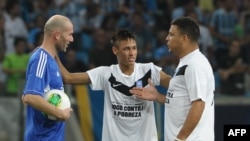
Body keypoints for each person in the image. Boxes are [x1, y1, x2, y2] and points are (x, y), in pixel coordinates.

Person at [55, 29, 171, 141]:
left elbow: (177, 87)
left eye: (134, 48)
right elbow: (67, 77)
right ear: (115, 50)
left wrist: (158, 97)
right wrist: (53, 52)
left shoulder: (149, 70)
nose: (132, 53)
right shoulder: (105, 74)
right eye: (126, 49)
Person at [130, 17, 215, 141]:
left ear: (184, 38)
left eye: (171, 34)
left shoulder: (195, 65)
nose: (167, 38)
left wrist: (180, 139)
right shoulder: (186, 62)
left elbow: (199, 104)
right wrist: (157, 96)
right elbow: (182, 102)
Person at [22, 15, 73, 141]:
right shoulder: (41, 59)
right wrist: (60, 113)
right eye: (69, 34)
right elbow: (30, 97)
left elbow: (27, 96)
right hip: (42, 137)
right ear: (57, 35)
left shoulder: (49, 59)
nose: (71, 39)